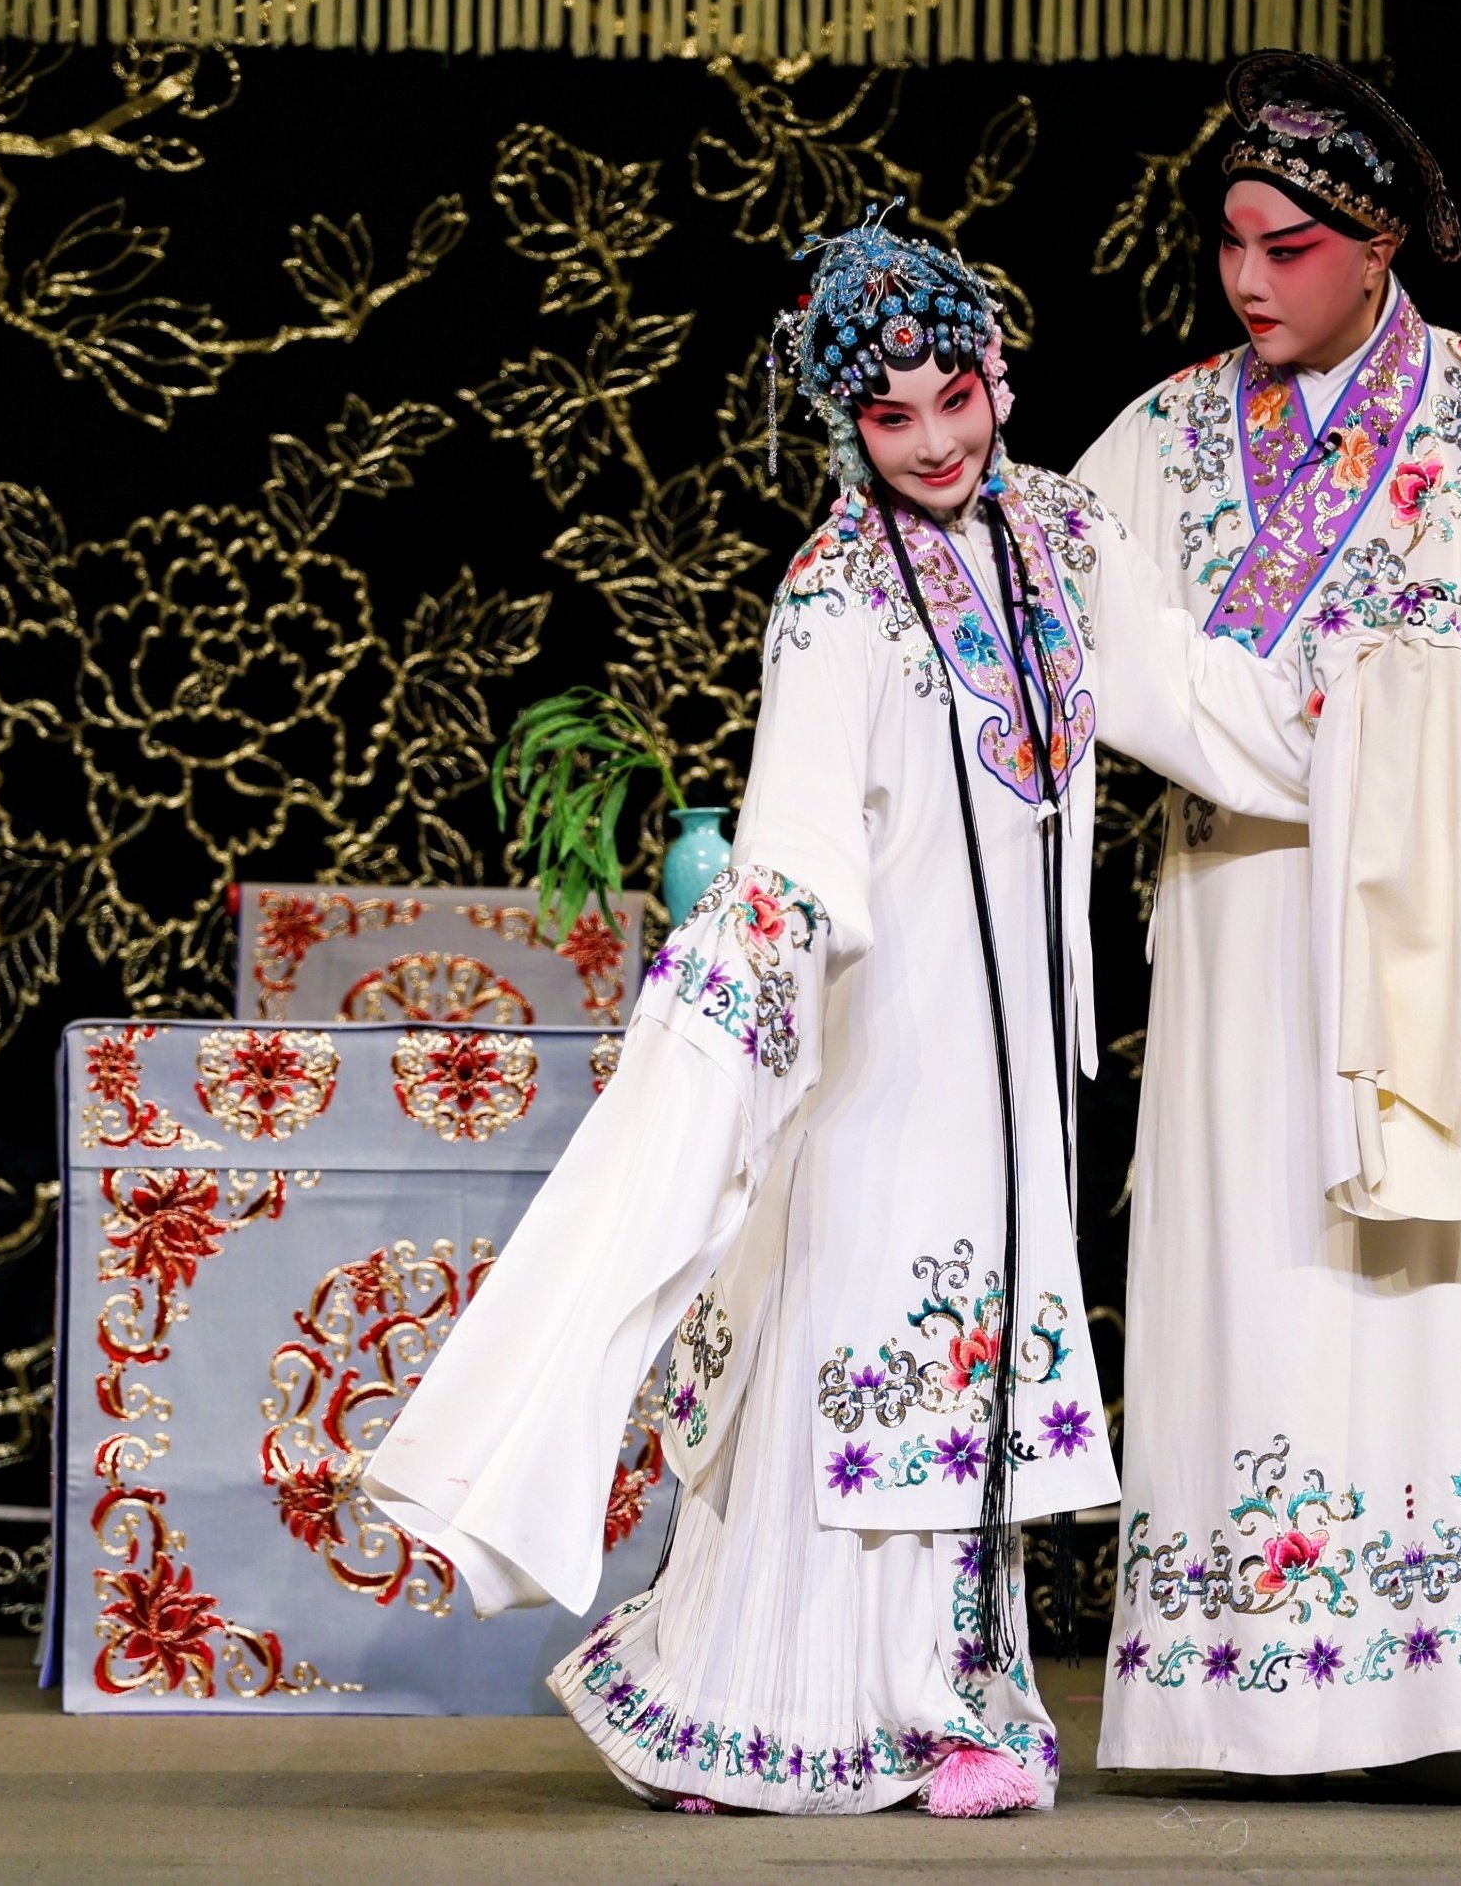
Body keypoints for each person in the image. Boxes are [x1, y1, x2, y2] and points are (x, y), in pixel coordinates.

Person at [364, 210, 1316, 1817]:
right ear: (844, 424)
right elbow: (799, 841)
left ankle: (959, 1702)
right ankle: (765, 1707)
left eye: (956, 397)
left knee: (974, 1351)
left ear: (998, 370)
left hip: (1014, 1052)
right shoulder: (834, 597)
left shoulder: (1068, 540)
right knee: (865, 1344)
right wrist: (734, 1003)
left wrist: (1385, 740)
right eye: (891, 416)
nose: (935, 441)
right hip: (882, 1039)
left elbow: (1196, 701)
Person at [1072, 51, 1461, 1793]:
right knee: (1257, 1269)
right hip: (1247, 909)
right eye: (1230, 244)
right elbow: (1081, 621)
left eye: (1289, 247)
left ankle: (1455, 1695)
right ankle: (1254, 1691)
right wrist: (1302, 724)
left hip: (1425, 910)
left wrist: (1412, 702)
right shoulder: (1167, 435)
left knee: (1429, 1284)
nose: (1249, 281)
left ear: (1380, 242)